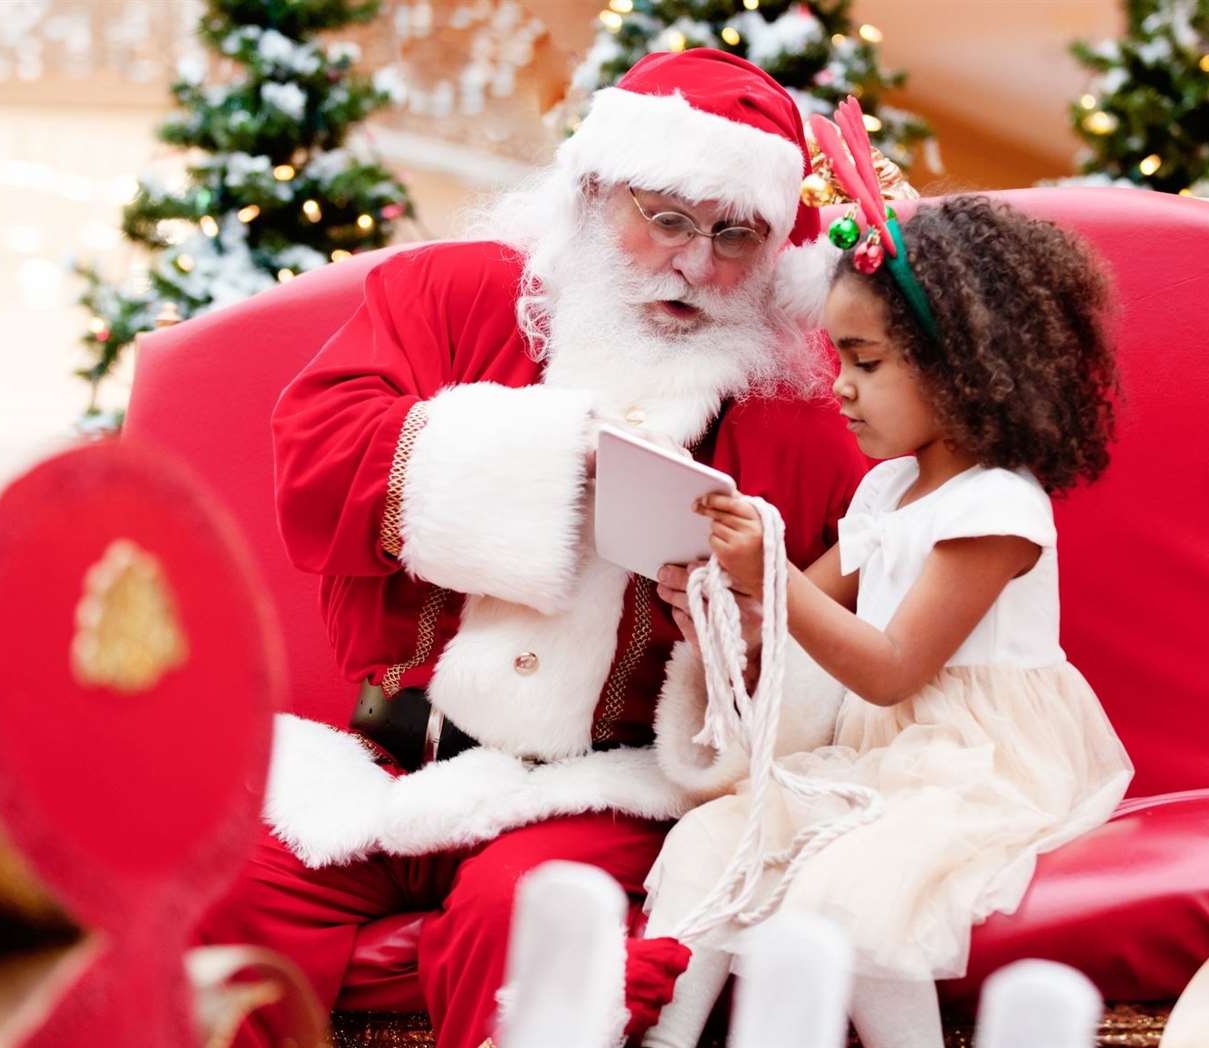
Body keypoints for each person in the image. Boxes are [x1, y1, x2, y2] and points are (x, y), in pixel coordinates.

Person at [197, 49, 870, 1048]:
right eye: (668, 217)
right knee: (222, 893)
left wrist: (736, 627)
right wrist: (540, 464)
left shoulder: (803, 415)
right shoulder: (454, 295)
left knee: (528, 919)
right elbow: (317, 455)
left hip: (604, 784)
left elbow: (848, 650)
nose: (695, 263)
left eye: (735, 236)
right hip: (397, 762)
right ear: (596, 193)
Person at [641, 193, 1136, 1048]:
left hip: (980, 762)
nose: (840, 385)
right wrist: (724, 608)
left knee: (853, 891)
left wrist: (775, 581)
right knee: (710, 839)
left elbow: (892, 667)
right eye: (839, 357)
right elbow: (793, 616)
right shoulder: (885, 492)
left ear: (965, 368)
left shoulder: (998, 508)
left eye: (865, 362)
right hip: (880, 756)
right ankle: (657, 1037)